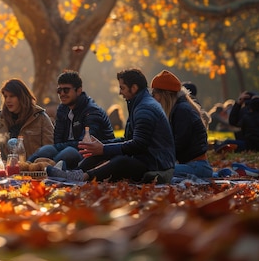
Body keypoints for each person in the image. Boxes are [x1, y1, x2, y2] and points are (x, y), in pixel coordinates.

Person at [47, 68, 175, 183]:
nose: (120, 92)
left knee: (121, 161)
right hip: (146, 158)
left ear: (134, 88)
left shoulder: (145, 109)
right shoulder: (139, 105)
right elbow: (127, 140)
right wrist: (102, 147)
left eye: (122, 88)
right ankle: (75, 172)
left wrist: (104, 149)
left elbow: (138, 145)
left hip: (156, 164)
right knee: (101, 151)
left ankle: (85, 176)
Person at [27, 70, 115, 170]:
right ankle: (25, 168)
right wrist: (59, 146)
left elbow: (84, 144)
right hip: (67, 150)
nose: (62, 94)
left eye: (66, 90)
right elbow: (57, 139)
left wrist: (60, 146)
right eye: (59, 91)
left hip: (92, 156)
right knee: (46, 150)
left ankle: (50, 172)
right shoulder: (62, 109)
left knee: (69, 152)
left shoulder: (92, 111)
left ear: (78, 90)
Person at [151, 70, 212, 178]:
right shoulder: (179, 108)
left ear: (164, 94)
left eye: (154, 93)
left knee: (152, 172)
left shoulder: (182, 111)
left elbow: (178, 145)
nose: (153, 98)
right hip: (192, 165)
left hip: (196, 166)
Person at [0, 79, 54, 157]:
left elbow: (49, 149)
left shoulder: (40, 117)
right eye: (6, 96)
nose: (8, 100)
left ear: (22, 97)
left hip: (33, 167)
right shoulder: (0, 119)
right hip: (6, 167)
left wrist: (35, 164)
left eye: (12, 96)